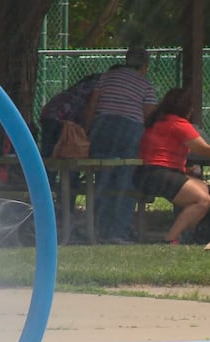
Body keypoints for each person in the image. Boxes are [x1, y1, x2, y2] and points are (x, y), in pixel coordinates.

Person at [133, 87, 210, 245]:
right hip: (157, 174)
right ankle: (170, 239)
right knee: (202, 200)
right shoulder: (178, 124)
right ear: (186, 107)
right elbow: (205, 149)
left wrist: (185, 170)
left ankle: (194, 232)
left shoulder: (159, 121)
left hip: (146, 173)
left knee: (204, 189)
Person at [85, 47, 158, 244]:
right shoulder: (145, 84)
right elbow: (149, 115)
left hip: (103, 125)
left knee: (102, 177)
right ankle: (119, 231)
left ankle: (98, 228)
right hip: (130, 129)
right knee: (126, 179)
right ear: (144, 66)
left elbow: (93, 104)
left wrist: (88, 130)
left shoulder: (108, 76)